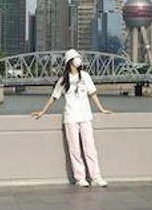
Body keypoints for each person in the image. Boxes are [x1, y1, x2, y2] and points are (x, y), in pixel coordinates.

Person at [33, 49, 112, 188]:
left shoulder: (85, 76)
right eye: (76, 58)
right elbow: (54, 97)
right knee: (74, 150)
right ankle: (80, 178)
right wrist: (43, 111)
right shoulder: (63, 80)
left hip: (86, 116)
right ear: (70, 62)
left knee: (90, 148)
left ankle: (96, 177)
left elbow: (92, 93)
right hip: (71, 118)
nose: (79, 60)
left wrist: (101, 109)